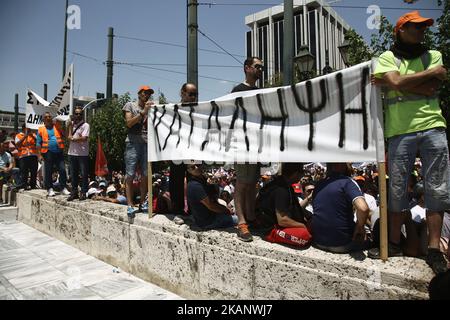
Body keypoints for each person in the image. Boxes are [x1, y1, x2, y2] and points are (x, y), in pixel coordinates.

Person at [370, 11, 449, 274]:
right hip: (400, 131)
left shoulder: (433, 55)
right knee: (397, 190)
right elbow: (399, 81)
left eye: (422, 28)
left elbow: (401, 83)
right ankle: (393, 243)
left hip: (433, 128)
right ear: (400, 31)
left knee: (437, 190)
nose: (420, 32)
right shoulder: (388, 57)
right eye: (414, 27)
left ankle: (434, 249)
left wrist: (394, 83)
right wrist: (424, 79)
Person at [231, 56, 264, 242]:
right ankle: (241, 222)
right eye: (257, 66)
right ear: (247, 68)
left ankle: (251, 217)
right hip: (241, 143)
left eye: (262, 67)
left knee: (253, 182)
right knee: (242, 182)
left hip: (257, 143)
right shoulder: (237, 90)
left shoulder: (260, 92)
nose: (260, 70)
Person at [311, 163, 370, 254]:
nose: (350, 166)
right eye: (348, 164)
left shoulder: (319, 184)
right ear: (340, 165)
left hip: (318, 241)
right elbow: (363, 208)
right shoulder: (347, 182)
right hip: (343, 243)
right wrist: (360, 227)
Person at [255, 163, 312, 248]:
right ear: (296, 174)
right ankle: (274, 235)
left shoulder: (285, 185)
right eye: (301, 173)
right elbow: (282, 220)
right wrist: (302, 225)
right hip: (271, 229)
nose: (302, 176)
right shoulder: (281, 189)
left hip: (281, 223)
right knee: (304, 236)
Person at [123, 85, 155, 219]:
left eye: (149, 93)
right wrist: (143, 112)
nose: (146, 95)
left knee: (145, 174)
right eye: (144, 93)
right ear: (139, 94)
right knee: (130, 174)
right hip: (133, 142)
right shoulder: (130, 105)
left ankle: (142, 203)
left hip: (147, 143)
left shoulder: (152, 108)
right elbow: (129, 123)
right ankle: (130, 204)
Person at [169, 83, 197, 215]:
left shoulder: (199, 111)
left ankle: (194, 209)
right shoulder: (171, 110)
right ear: (182, 93)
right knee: (176, 181)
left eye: (195, 94)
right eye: (190, 94)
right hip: (177, 152)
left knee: (194, 180)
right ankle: (177, 210)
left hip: (193, 151)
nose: (193, 97)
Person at [186, 163, 237, 230]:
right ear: (188, 171)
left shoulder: (203, 180)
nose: (196, 168)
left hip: (211, 217)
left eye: (198, 165)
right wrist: (226, 210)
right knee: (239, 220)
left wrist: (214, 184)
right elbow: (211, 206)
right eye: (193, 167)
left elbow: (215, 197)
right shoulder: (195, 185)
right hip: (209, 221)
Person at [36, 112, 70, 197]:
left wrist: (68, 125)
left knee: (62, 170)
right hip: (47, 152)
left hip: (59, 151)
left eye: (49, 117)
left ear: (52, 118)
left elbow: (65, 135)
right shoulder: (41, 129)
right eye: (46, 117)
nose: (48, 118)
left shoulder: (57, 126)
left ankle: (63, 188)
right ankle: (49, 189)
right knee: (48, 171)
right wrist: (39, 155)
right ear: (43, 120)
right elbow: (38, 143)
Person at [67, 106, 90, 201]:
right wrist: (69, 126)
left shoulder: (86, 125)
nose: (78, 115)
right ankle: (74, 192)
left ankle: (84, 192)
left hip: (82, 154)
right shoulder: (72, 124)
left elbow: (85, 138)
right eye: (76, 113)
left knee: (84, 174)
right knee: (73, 174)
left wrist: (74, 139)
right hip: (72, 153)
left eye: (80, 114)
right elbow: (68, 136)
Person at [15, 124, 38, 190]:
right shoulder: (18, 135)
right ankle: (24, 185)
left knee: (34, 171)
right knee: (24, 171)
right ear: (23, 128)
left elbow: (38, 143)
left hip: (33, 155)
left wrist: (32, 136)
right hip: (23, 156)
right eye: (28, 128)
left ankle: (33, 185)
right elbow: (17, 144)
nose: (29, 129)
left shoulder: (33, 135)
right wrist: (25, 136)